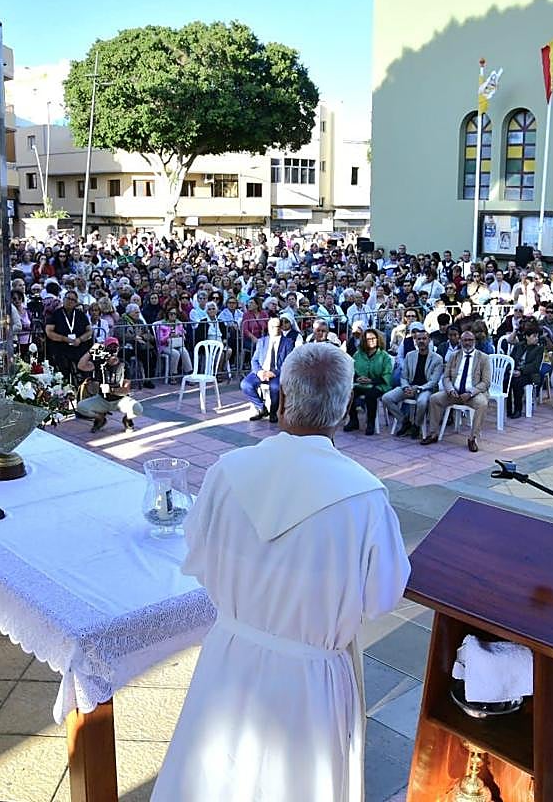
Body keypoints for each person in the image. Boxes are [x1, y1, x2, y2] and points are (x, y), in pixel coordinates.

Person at [152, 343, 410, 802]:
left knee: (217, 781)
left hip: (231, 655)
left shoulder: (228, 471)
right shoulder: (364, 498)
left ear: (284, 399)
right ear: (344, 406)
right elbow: (383, 596)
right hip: (309, 681)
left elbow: (199, 554)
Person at [421, 330, 492, 452]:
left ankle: (472, 438)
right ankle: (433, 434)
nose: (468, 343)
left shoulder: (483, 358)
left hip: (473, 394)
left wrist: (470, 393)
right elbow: (446, 377)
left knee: (482, 404)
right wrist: (450, 389)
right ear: (460, 341)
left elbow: (485, 382)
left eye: (470, 340)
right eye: (465, 340)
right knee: (434, 398)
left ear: (474, 341)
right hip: (454, 392)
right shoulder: (454, 356)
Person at [381, 327, 442, 439]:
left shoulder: (437, 359)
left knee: (422, 402)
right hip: (409, 387)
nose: (421, 341)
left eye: (424, 338)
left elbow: (433, 381)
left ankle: (416, 425)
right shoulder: (410, 355)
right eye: (419, 339)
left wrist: (418, 388)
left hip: (425, 389)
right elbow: (404, 376)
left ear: (429, 340)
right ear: (415, 341)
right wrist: (405, 387)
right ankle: (405, 421)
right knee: (386, 398)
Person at [75, 337, 142, 432]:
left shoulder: (124, 365)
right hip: (102, 399)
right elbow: (81, 366)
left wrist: (111, 390)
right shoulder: (99, 363)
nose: (112, 351)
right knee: (81, 406)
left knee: (137, 409)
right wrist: (90, 351)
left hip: (120, 400)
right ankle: (100, 418)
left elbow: (126, 389)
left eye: (115, 347)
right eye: (110, 348)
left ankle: (127, 420)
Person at [241, 316, 296, 423]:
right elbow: (254, 360)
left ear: (280, 327)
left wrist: (273, 372)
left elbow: (288, 362)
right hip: (262, 370)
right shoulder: (262, 341)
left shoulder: (288, 342)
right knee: (246, 384)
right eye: (271, 326)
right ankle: (261, 408)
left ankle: (273, 412)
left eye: (276, 326)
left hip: (277, 372)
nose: (273, 329)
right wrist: (259, 372)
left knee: (275, 387)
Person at [346, 328, 394, 436]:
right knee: (349, 393)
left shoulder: (384, 356)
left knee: (370, 395)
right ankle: (353, 420)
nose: (371, 341)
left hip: (379, 384)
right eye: (368, 339)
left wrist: (371, 380)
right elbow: (352, 370)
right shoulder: (358, 355)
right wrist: (357, 378)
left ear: (377, 339)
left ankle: (371, 423)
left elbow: (387, 374)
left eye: (373, 338)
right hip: (361, 384)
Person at [45, 290, 93, 382]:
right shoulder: (56, 314)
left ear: (76, 302)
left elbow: (89, 331)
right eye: (68, 298)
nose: (70, 301)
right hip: (61, 348)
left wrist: (80, 339)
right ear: (63, 299)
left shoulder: (80, 315)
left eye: (73, 300)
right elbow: (49, 331)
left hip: (79, 346)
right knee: (63, 370)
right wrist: (64, 339)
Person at [507, 328, 544, 418]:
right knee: (506, 381)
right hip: (515, 371)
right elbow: (511, 359)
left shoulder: (539, 348)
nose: (536, 338)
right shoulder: (519, 345)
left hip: (529, 374)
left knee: (517, 382)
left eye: (537, 336)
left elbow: (535, 366)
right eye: (534, 336)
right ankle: (508, 409)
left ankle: (518, 409)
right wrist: (510, 369)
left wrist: (521, 371)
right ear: (527, 337)